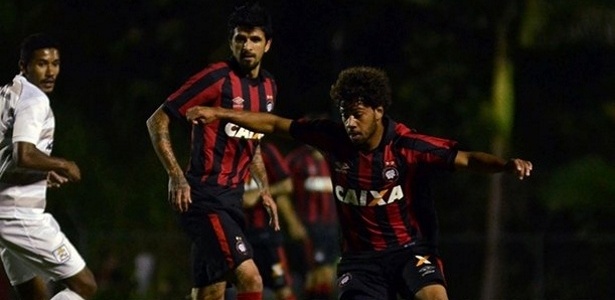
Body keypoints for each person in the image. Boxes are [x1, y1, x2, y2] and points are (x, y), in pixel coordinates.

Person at [185, 66, 534, 300]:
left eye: (358, 113)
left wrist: (505, 165)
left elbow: (468, 159)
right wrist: (220, 113)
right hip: (360, 263)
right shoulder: (331, 138)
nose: (350, 122)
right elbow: (275, 124)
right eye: (345, 114)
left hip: (410, 252)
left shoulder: (407, 146)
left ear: (379, 111)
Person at [146, 3, 280, 300]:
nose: (247, 46)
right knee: (251, 279)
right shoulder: (217, 77)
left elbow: (252, 143)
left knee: (209, 294)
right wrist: (176, 175)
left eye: (255, 39)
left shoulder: (269, 87)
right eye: (240, 38)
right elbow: (157, 119)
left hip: (233, 203)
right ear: (231, 41)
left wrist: (265, 189)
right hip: (204, 199)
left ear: (267, 44)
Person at [0, 33, 98, 300]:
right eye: (42, 63)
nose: (50, 71)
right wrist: (64, 164)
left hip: (5, 214)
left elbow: (10, 158)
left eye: (55, 63)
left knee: (35, 296)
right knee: (85, 286)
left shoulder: (7, 94)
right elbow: (24, 154)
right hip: (19, 214)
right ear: (24, 66)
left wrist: (43, 172)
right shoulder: (34, 99)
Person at [242, 141, 304, 300]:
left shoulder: (265, 150)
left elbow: (286, 184)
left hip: (266, 236)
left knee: (282, 288)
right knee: (243, 288)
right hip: (237, 235)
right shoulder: (221, 151)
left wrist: (259, 194)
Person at [285, 143, 339, 299]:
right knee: (313, 275)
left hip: (331, 225)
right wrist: (292, 222)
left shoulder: (335, 158)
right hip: (309, 225)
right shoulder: (297, 159)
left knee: (328, 273)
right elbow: (284, 190)